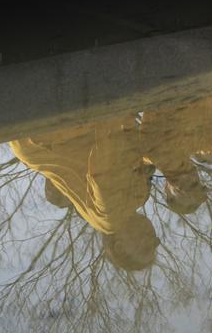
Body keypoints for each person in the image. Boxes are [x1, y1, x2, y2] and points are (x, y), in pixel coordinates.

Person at [11, 115, 159, 272]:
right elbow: (130, 146)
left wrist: (117, 113)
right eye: (156, 242)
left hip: (43, 137)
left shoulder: (110, 216)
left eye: (145, 247)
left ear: (119, 246)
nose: (152, 239)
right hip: (74, 132)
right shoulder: (136, 199)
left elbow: (106, 160)